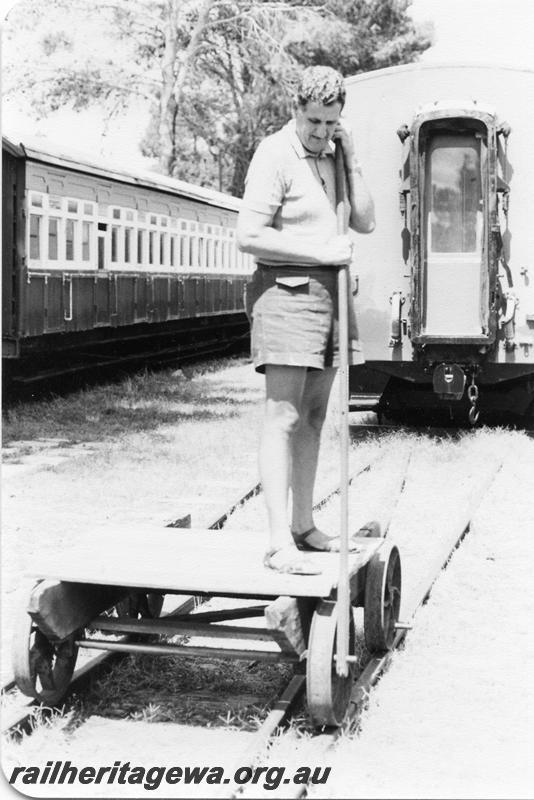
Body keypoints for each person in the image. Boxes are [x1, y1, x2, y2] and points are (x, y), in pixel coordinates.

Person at [237, 65, 375, 574]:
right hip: (286, 296)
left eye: (329, 123)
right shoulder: (274, 154)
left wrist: (353, 158)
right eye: (312, 121)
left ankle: (303, 525)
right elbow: (249, 235)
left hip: (330, 296)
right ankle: (277, 543)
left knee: (315, 418)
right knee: (284, 418)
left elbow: (365, 219)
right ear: (295, 109)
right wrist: (320, 250)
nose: (319, 132)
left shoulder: (337, 154)